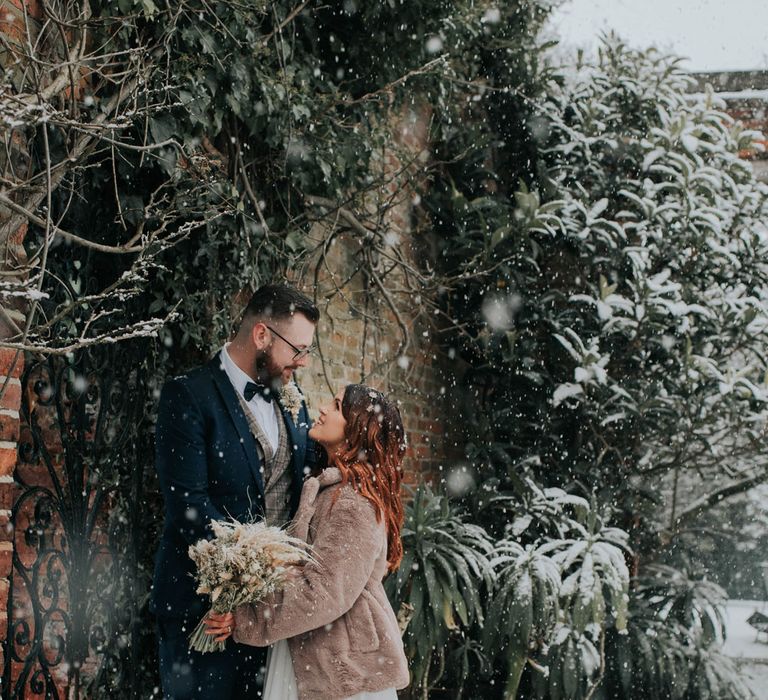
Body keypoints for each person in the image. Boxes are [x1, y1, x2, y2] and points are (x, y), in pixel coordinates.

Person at [152, 283, 320, 699]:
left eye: (306, 351)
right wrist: (243, 579)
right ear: (261, 335)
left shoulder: (292, 400)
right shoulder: (188, 396)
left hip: (267, 626)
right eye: (296, 349)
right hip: (202, 615)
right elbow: (188, 507)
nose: (301, 362)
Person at [205, 384, 411, 700]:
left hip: (341, 673)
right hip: (318, 658)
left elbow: (325, 591)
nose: (325, 408)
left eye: (338, 406)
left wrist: (248, 617)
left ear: (357, 429)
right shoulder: (335, 490)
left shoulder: (352, 503)